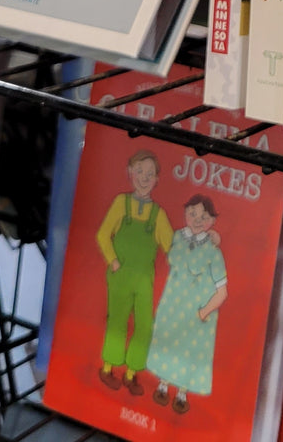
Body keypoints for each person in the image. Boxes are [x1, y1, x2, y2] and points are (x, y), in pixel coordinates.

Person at [95, 150, 173, 394]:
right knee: (117, 321)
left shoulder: (158, 214)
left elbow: (171, 247)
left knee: (145, 325)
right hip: (121, 275)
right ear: (130, 173)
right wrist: (113, 261)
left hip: (144, 280)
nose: (144, 178)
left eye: (150, 174)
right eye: (140, 171)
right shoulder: (122, 203)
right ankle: (108, 368)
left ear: (157, 179)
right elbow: (103, 234)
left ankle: (131, 373)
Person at [147, 194, 228, 414]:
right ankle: (163, 385)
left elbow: (222, 291)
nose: (197, 220)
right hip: (171, 308)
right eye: (192, 213)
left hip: (196, 315)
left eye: (204, 216)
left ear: (212, 220)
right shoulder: (177, 237)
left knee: (188, 352)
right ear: (185, 213)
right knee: (168, 344)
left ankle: (182, 393)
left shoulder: (214, 252)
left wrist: (204, 312)